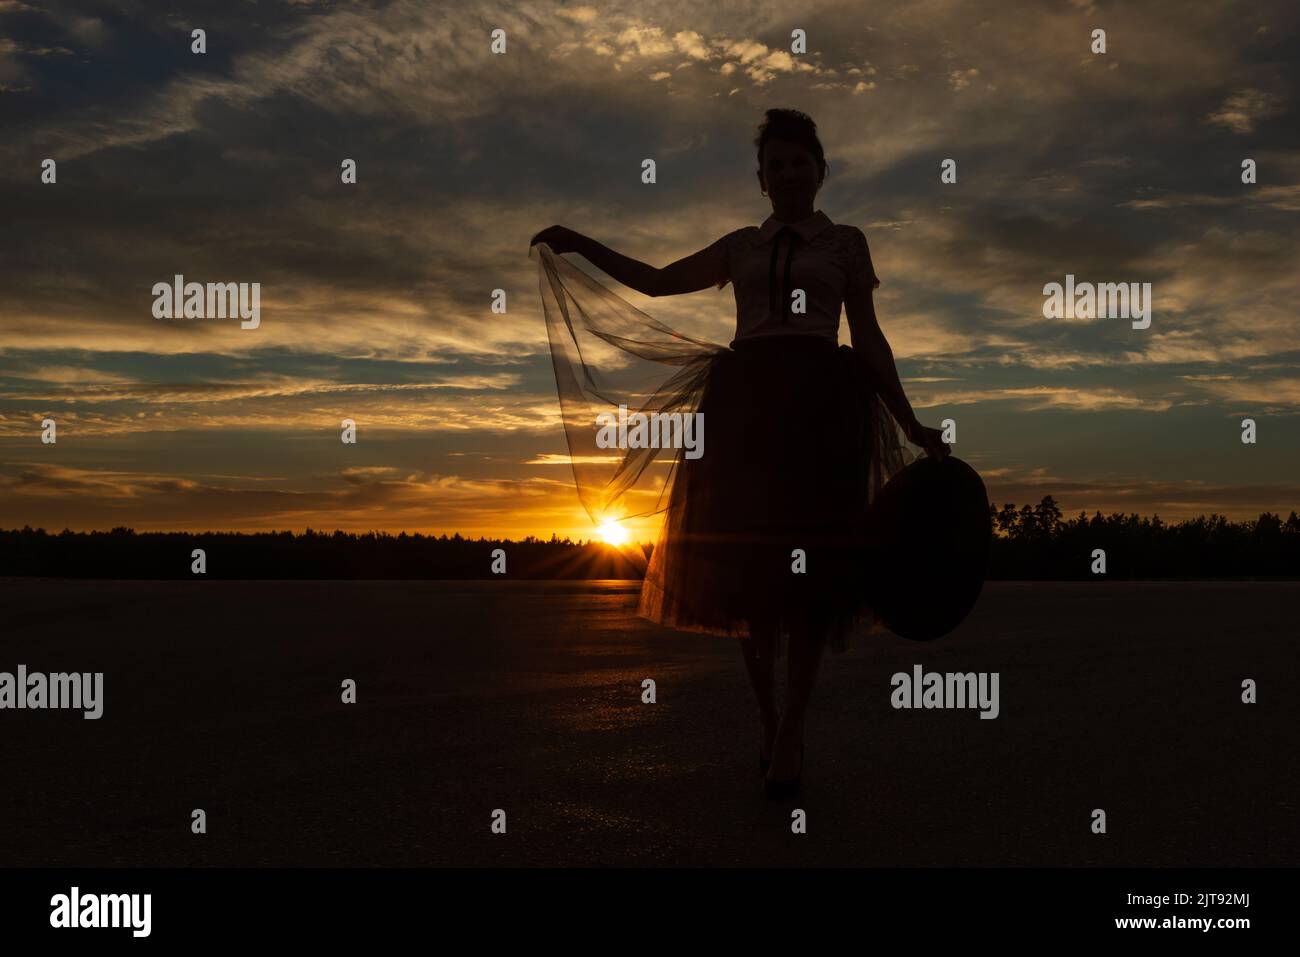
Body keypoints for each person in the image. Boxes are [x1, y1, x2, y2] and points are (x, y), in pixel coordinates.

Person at [531, 108, 950, 798]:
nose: (789, 173)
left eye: (801, 162)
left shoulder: (847, 243)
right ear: (761, 179)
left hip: (823, 407)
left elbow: (870, 338)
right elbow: (657, 282)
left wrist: (909, 422)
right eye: (776, 164)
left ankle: (793, 727)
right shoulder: (738, 247)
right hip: (746, 408)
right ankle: (765, 717)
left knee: (813, 584)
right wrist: (580, 242)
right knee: (753, 580)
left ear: (821, 171)